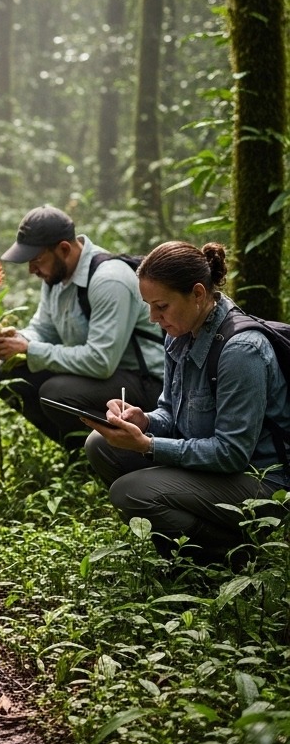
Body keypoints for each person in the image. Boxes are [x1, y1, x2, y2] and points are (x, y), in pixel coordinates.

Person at [83, 241, 290, 563]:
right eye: (149, 306)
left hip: (261, 482)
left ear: (197, 293)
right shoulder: (179, 333)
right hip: (216, 468)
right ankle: (188, 540)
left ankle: (227, 554)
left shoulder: (241, 351)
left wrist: (147, 445)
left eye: (161, 306)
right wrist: (145, 421)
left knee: (131, 491)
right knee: (101, 444)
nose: (153, 317)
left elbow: (232, 454)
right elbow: (171, 410)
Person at [0, 206, 164, 451]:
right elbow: (43, 329)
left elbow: (101, 362)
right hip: (106, 376)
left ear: (63, 249)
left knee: (55, 393)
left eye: (37, 260)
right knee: (5, 374)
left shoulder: (108, 280)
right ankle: (77, 450)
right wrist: (17, 340)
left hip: (145, 383)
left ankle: (115, 452)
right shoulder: (56, 278)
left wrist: (30, 349)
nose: (31, 270)